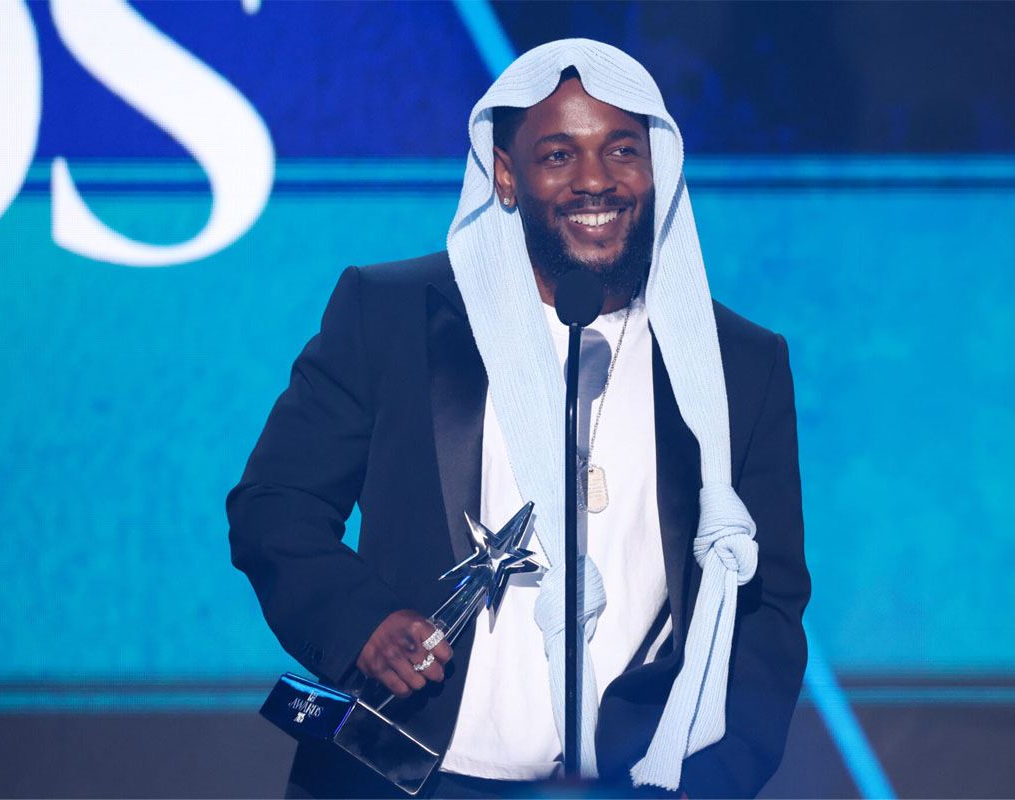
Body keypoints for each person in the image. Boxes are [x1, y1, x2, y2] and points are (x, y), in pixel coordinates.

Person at [228, 39, 809, 799]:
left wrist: (709, 782)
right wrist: (362, 624)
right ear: (505, 174)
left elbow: (768, 606)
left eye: (622, 150)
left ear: (658, 164)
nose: (595, 179)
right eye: (559, 155)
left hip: (626, 785)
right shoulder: (393, 314)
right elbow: (276, 506)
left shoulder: (738, 363)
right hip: (406, 776)